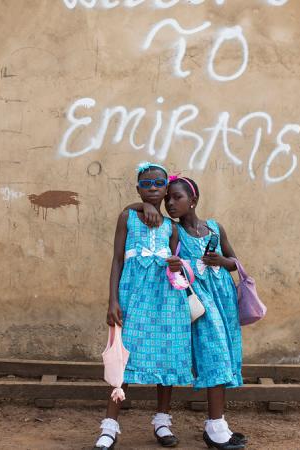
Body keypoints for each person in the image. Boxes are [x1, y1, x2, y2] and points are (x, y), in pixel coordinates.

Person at [130, 175, 247, 449]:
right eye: (167, 198)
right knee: (213, 355)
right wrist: (143, 204)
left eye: (177, 198)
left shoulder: (215, 229)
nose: (170, 203)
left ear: (193, 201)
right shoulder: (172, 230)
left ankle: (217, 424)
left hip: (223, 301)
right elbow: (132, 212)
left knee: (220, 356)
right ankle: (215, 428)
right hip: (194, 302)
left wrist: (222, 260)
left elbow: (235, 262)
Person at [93, 162, 193, 450]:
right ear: (138, 188)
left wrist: (177, 265)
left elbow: (180, 270)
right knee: (122, 358)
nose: (152, 189)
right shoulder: (128, 217)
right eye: (145, 185)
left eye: (158, 184)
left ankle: (162, 422)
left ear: (165, 189)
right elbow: (117, 261)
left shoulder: (172, 228)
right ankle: (110, 427)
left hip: (166, 301)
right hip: (133, 297)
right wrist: (112, 300)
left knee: (167, 356)